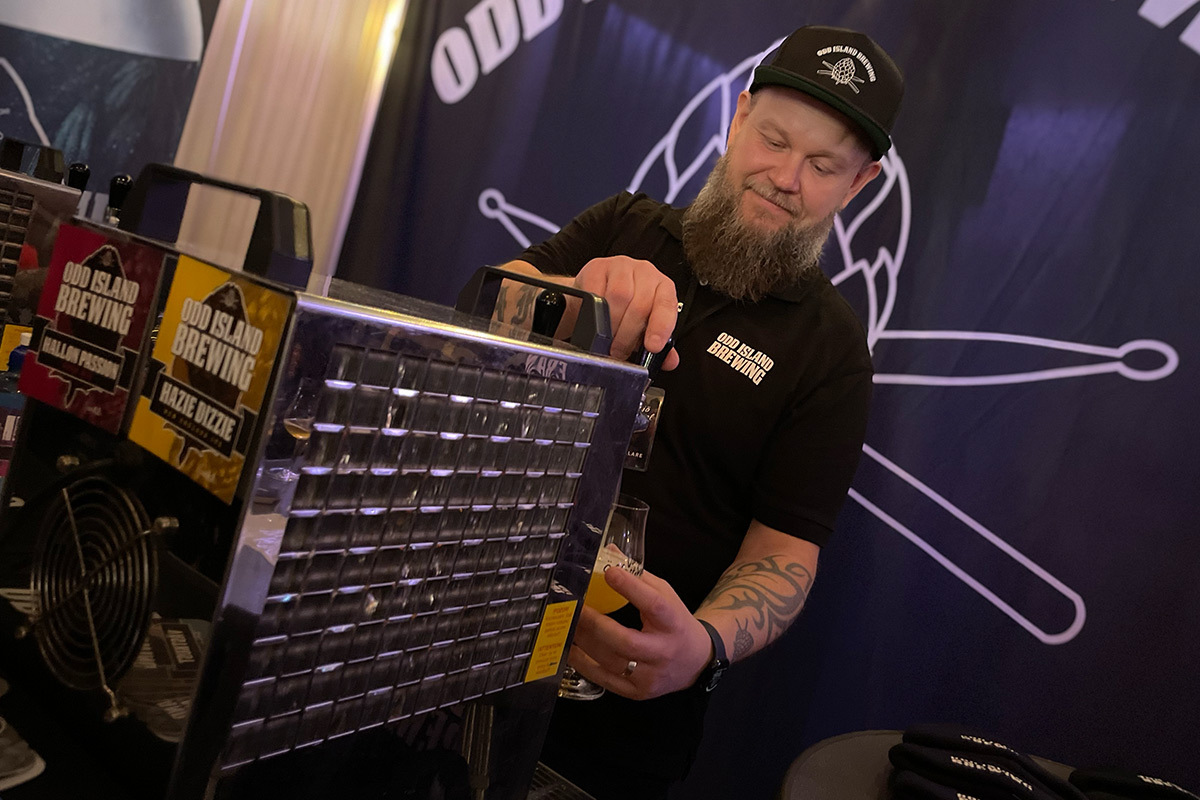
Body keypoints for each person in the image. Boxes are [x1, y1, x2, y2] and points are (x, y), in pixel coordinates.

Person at [498, 25, 905, 799]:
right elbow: (483, 308)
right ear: (738, 118)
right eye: (774, 140)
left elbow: (784, 553)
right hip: (470, 639)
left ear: (858, 185)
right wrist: (574, 294)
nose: (785, 178)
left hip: (618, 723)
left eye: (823, 166)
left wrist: (706, 645)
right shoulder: (625, 225)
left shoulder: (832, 353)